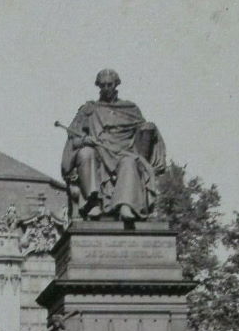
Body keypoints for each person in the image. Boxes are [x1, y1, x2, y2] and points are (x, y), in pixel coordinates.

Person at [60, 68, 166, 221]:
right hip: (98, 153)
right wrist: (84, 140)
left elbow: (142, 134)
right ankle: (93, 201)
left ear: (116, 84)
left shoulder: (131, 109)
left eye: (109, 85)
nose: (106, 88)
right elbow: (73, 139)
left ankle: (125, 206)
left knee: (129, 162)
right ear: (98, 86)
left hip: (124, 153)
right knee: (85, 153)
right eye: (102, 85)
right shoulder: (89, 110)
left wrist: (149, 129)